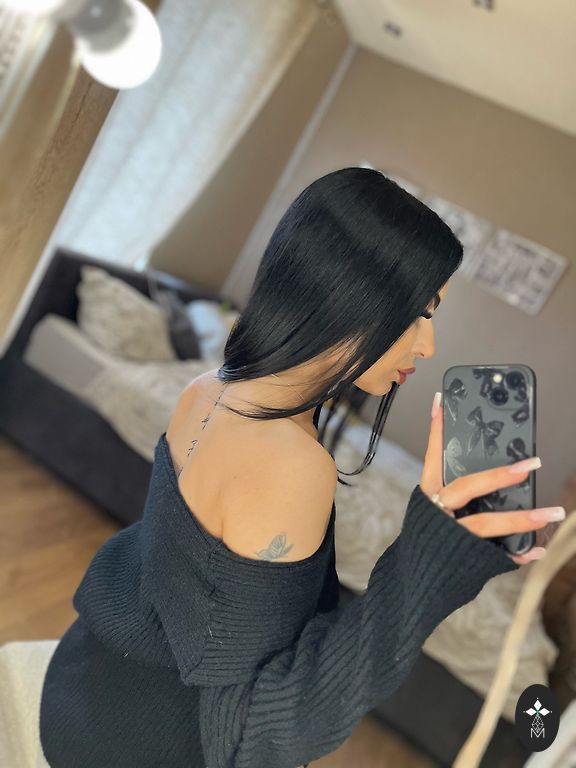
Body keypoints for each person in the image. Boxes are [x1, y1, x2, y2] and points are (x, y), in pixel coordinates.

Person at [39, 167, 556, 768]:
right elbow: (261, 730)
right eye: (418, 313)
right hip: (134, 744)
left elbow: (179, 575)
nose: (428, 345)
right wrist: (429, 560)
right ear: (348, 295)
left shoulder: (206, 388)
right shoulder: (292, 465)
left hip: (89, 677)